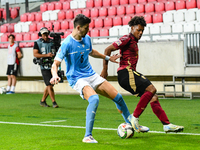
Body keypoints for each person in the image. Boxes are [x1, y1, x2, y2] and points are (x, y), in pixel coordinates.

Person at [50, 14, 134, 143]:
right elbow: (55, 64)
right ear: (78, 27)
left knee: (118, 97)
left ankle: (132, 125)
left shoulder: (87, 38)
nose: (88, 30)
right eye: (86, 27)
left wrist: (107, 58)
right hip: (77, 78)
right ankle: (87, 136)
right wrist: (55, 75)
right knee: (94, 99)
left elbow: (91, 51)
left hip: (91, 75)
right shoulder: (67, 43)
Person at [100, 16, 184, 133]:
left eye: (142, 31)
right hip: (126, 73)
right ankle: (134, 118)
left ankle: (166, 124)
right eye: (138, 30)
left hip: (130, 74)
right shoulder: (127, 38)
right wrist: (105, 70)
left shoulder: (133, 41)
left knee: (152, 97)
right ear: (132, 28)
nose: (140, 33)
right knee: (151, 89)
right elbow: (107, 50)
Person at [33, 27, 58, 108]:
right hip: (44, 66)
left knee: (50, 84)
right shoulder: (37, 43)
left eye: (47, 34)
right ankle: (54, 102)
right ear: (41, 35)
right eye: (44, 34)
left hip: (52, 66)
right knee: (49, 84)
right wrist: (47, 55)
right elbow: (35, 54)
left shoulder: (52, 42)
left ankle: (42, 101)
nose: (46, 36)